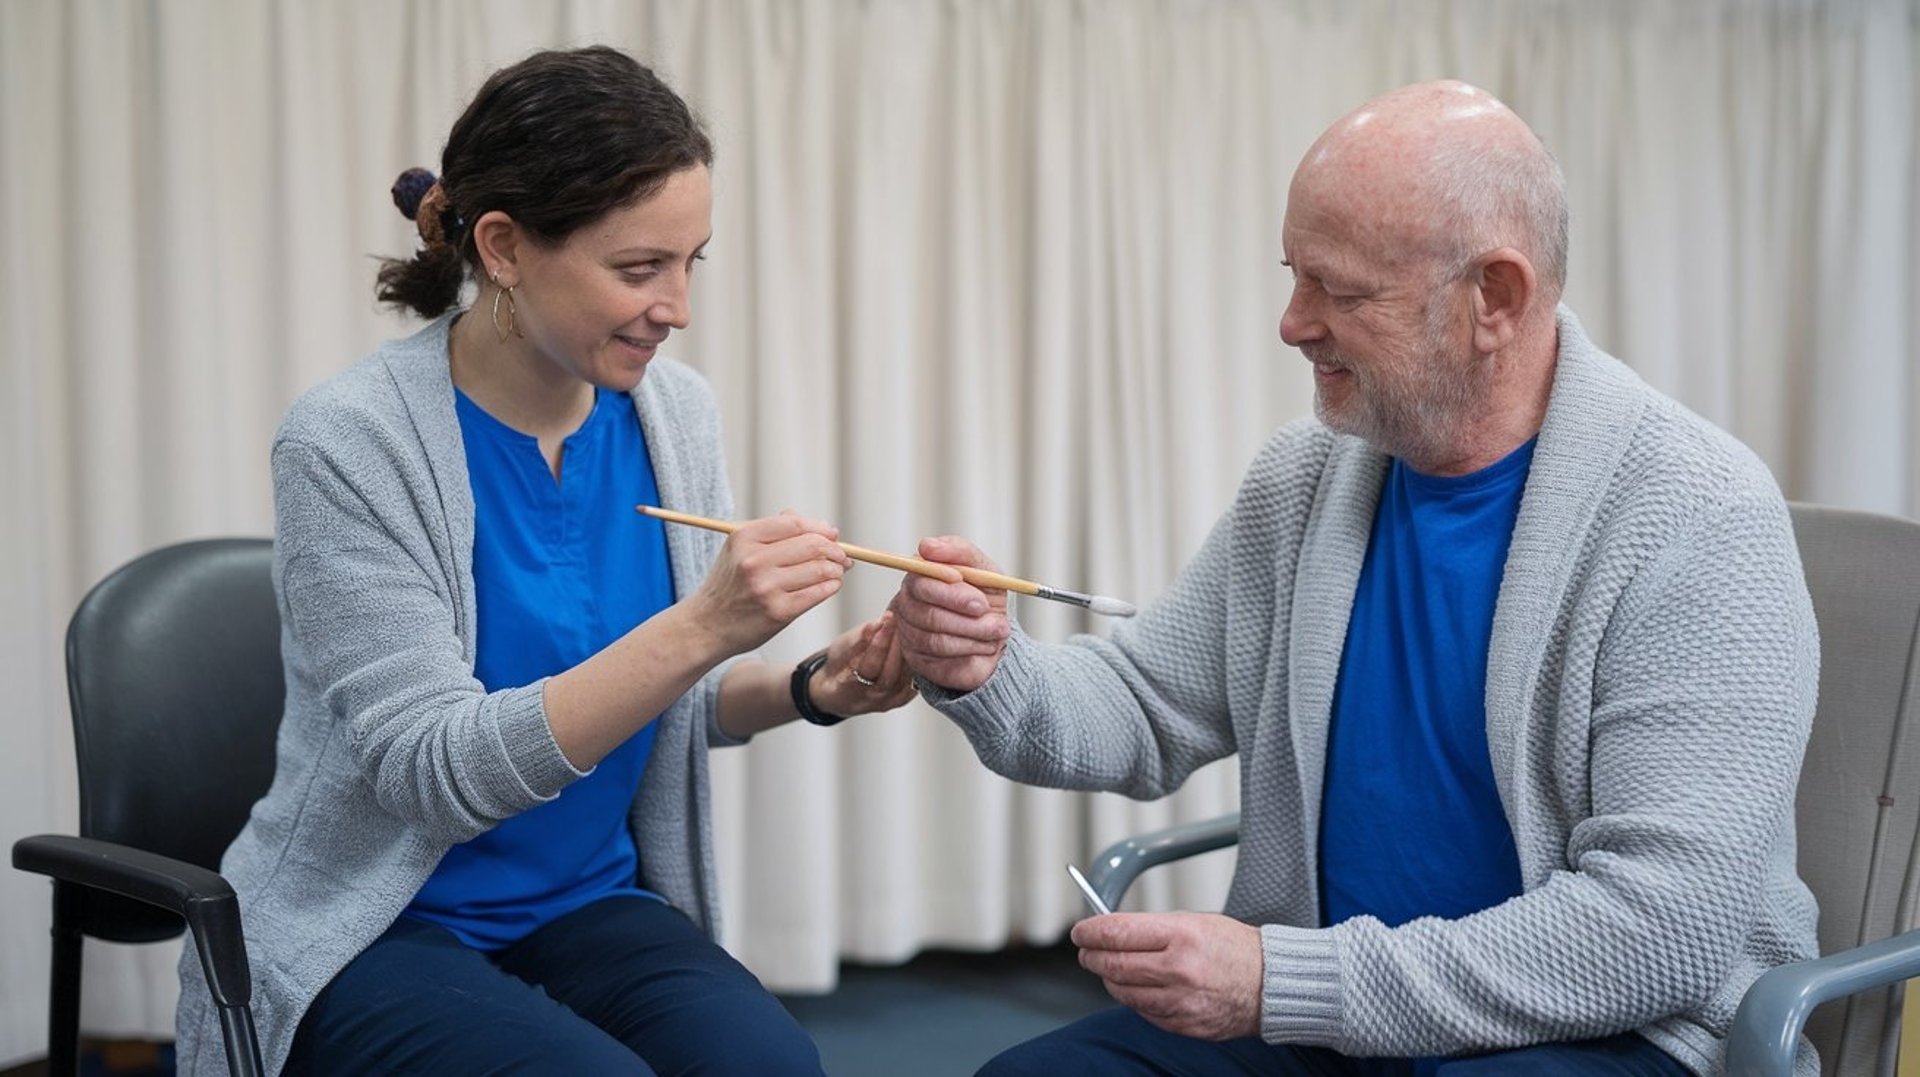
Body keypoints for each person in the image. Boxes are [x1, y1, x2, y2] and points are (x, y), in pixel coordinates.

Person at [890, 80, 1820, 1076]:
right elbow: (1144, 705)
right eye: (1294, 277)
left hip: (1594, 1028)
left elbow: (1656, 935)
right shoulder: (1304, 480)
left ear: (1493, 299)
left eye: (1340, 291)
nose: (1292, 324)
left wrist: (1281, 982)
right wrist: (985, 665)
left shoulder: (1699, 517)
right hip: (1333, 1017)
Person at [174, 46, 914, 1076]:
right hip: (377, 923)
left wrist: (812, 686)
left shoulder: (673, 414)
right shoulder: (350, 441)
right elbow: (435, 773)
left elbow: (663, 702)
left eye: (690, 262)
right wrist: (706, 623)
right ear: (506, 247)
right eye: (638, 268)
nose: (678, 308)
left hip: (585, 903)